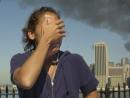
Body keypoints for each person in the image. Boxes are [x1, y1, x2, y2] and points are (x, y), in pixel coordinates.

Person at [10, 6, 99, 98]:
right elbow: (26, 81)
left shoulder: (75, 61)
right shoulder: (20, 59)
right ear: (32, 34)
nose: (55, 33)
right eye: (49, 28)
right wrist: (47, 39)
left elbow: (91, 92)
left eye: (58, 28)